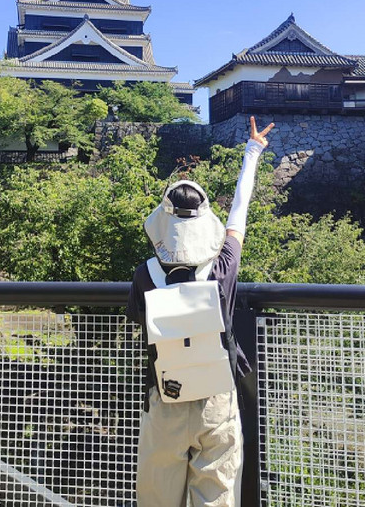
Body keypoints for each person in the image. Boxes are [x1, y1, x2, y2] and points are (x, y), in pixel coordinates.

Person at [127, 115, 274, 507]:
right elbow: (238, 216)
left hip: (166, 397)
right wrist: (252, 152)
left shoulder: (146, 274)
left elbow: (141, 320)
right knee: (216, 498)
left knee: (157, 499)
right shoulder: (222, 266)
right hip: (216, 399)